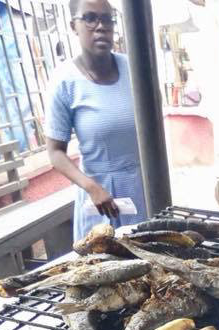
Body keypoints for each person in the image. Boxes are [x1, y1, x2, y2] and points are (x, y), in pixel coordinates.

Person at [45, 0, 146, 241]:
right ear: (74, 26)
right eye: (90, 18)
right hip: (98, 199)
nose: (101, 27)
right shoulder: (64, 82)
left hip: (139, 190)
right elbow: (55, 153)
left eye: (107, 19)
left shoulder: (134, 69)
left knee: (148, 256)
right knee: (101, 258)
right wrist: (91, 187)